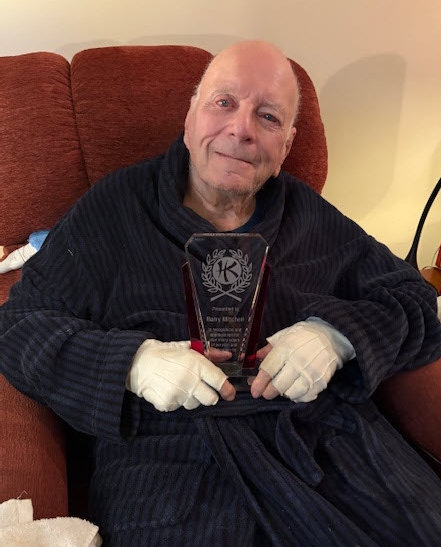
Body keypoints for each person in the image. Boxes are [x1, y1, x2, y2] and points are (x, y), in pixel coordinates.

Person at [1, 40, 441, 547]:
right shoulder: (113, 208)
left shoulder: (312, 217)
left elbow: (411, 295)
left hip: (332, 448)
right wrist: (131, 364)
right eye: (224, 102)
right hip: (173, 465)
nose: (241, 129)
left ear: (286, 147)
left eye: (268, 117)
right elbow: (20, 323)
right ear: (190, 119)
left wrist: (337, 337)